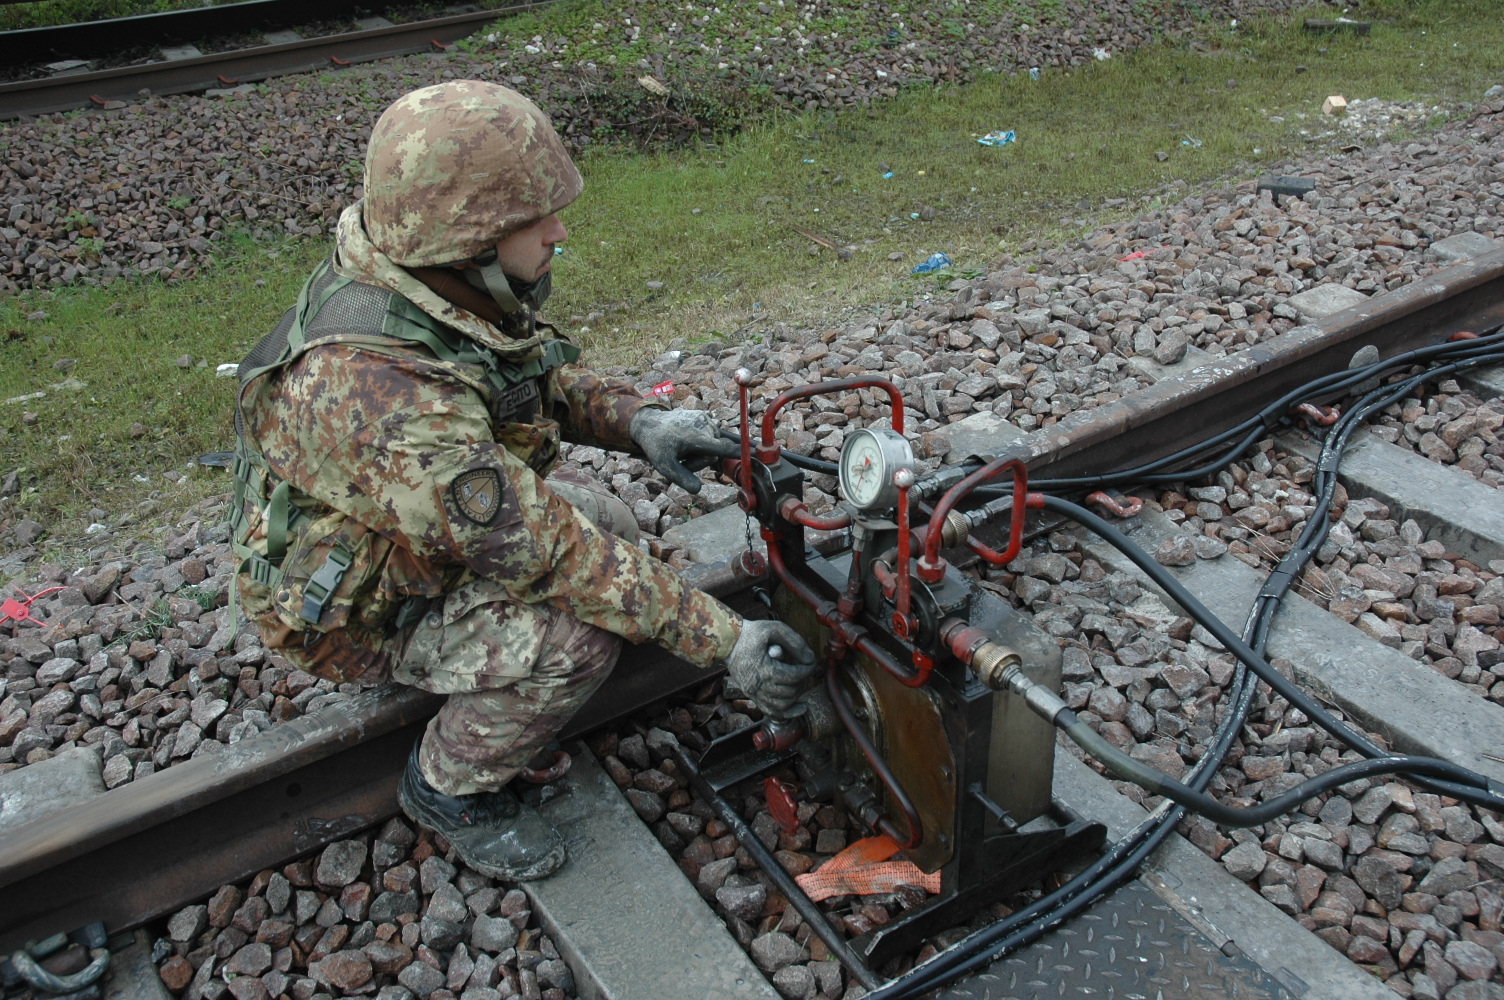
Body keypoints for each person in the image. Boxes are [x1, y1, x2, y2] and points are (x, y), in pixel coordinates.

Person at [229, 80, 816, 881]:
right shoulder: (384, 395)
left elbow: (520, 376)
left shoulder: (431, 286)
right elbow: (543, 553)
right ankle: (449, 790)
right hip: (345, 609)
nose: (558, 232)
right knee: (576, 638)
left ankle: (491, 694)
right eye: (530, 223)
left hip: (404, 534)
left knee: (606, 516)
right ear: (464, 240)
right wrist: (726, 640)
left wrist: (639, 421)